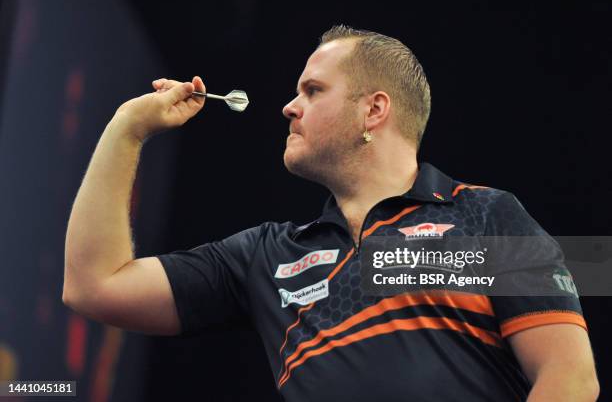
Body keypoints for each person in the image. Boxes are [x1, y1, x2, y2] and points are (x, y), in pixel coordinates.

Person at [63, 25, 599, 401]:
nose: (288, 106)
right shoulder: (268, 257)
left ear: (374, 109)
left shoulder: (484, 215)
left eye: (312, 90)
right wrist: (126, 128)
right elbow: (94, 285)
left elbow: (570, 379)